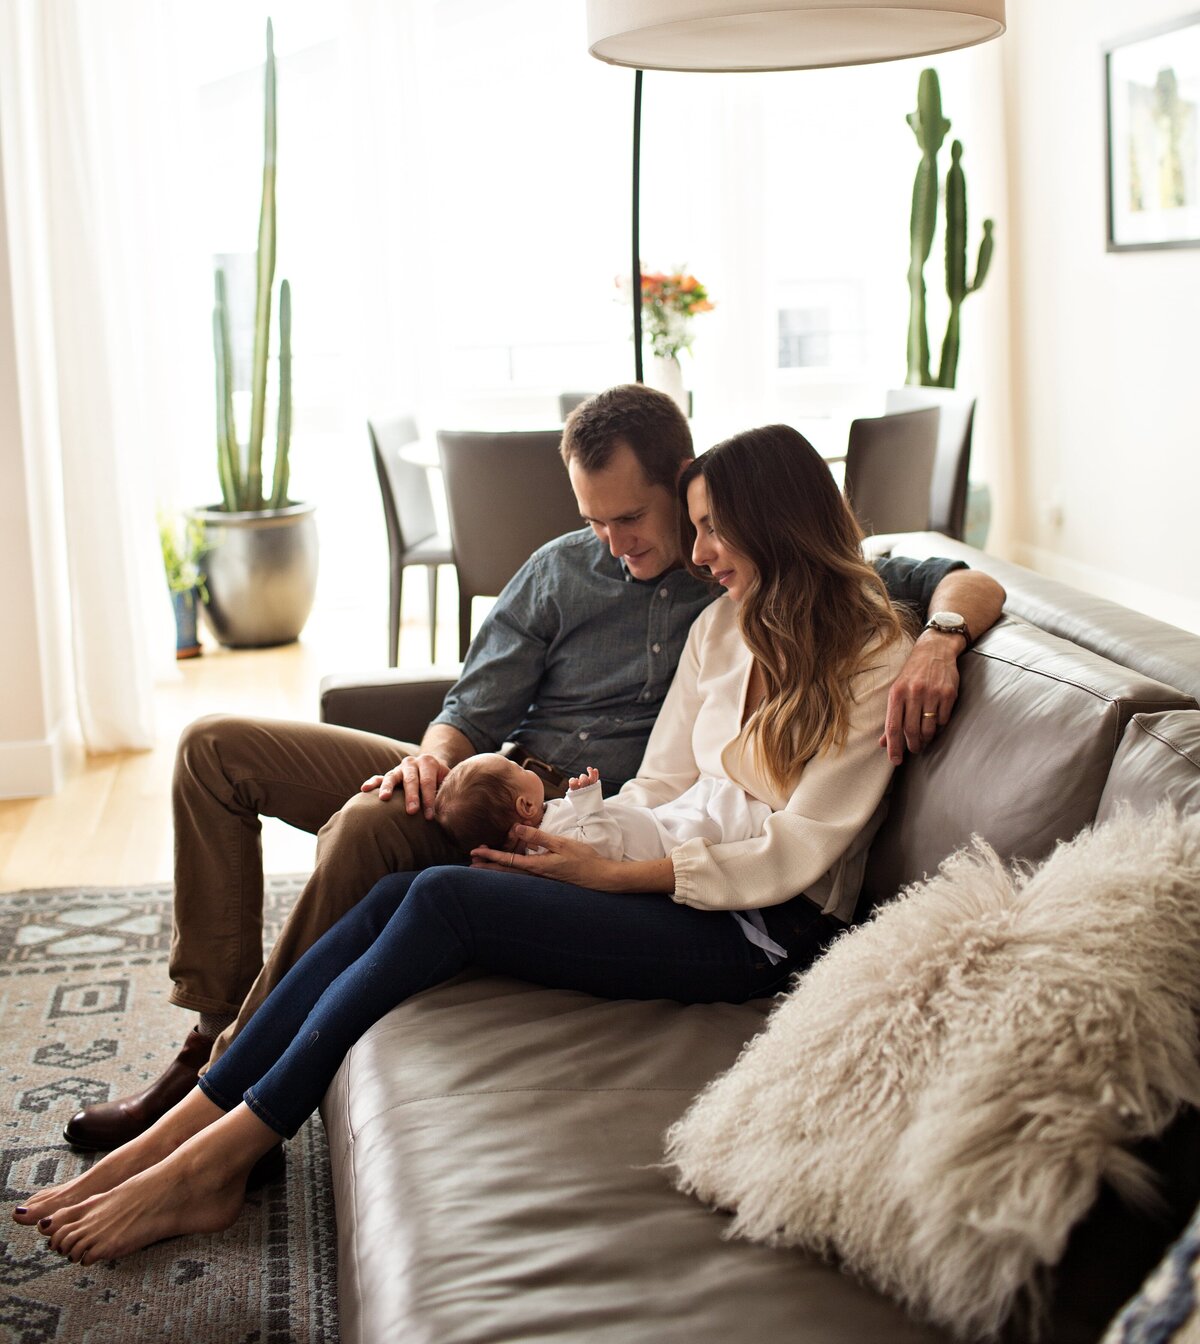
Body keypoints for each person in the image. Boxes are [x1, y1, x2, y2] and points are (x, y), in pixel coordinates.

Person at [22, 422, 926, 1262]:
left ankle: (208, 1166)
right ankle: (180, 1132)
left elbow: (799, 851)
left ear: (773, 522)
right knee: (388, 895)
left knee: (441, 899)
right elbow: (661, 785)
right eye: (693, 531)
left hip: (755, 928)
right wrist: (579, 835)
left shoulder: (874, 653)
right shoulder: (723, 623)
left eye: (711, 531)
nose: (698, 555)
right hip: (633, 856)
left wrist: (616, 877)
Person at [435, 759, 775, 865]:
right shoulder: (547, 845)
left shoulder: (541, 829)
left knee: (705, 799)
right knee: (712, 822)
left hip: (651, 820)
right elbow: (602, 849)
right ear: (525, 806)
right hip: (661, 843)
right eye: (515, 767)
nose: (524, 768)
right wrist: (590, 804)